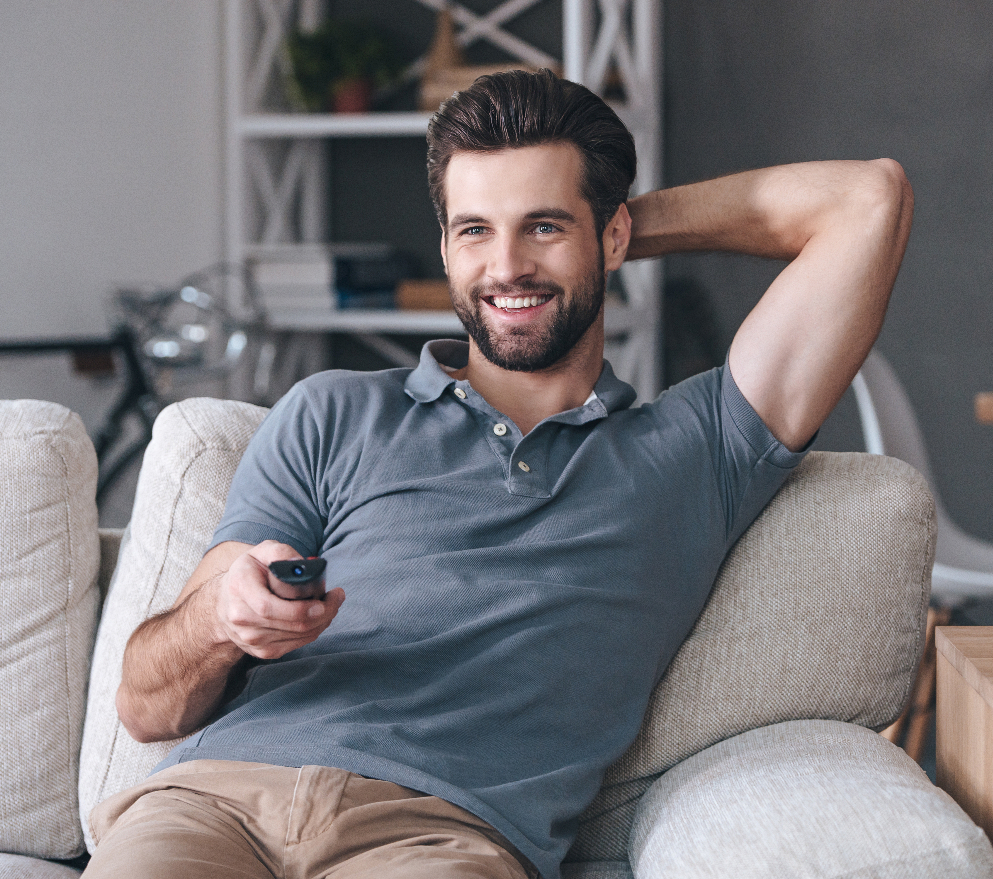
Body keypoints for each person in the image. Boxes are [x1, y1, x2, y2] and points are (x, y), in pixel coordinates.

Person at [85, 70, 912, 879]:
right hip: (211, 804)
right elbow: (146, 705)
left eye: (542, 227)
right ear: (445, 246)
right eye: (474, 230)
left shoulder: (695, 447)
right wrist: (221, 623)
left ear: (614, 236)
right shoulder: (333, 413)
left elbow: (867, 201)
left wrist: (609, 228)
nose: (506, 265)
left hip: (437, 837)